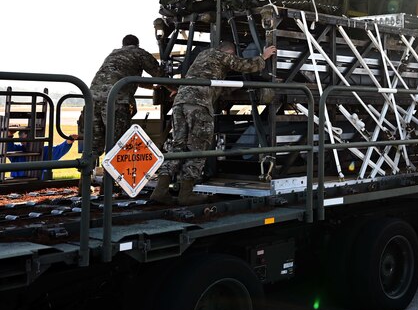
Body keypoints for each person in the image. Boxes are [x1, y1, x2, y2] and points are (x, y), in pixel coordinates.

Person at [151, 41, 277, 205]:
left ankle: (160, 191)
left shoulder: (202, 57)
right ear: (229, 52)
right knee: (197, 149)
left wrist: (230, 88)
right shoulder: (222, 55)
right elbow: (244, 65)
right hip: (199, 105)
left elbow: (213, 85)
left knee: (177, 147)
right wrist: (263, 57)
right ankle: (186, 194)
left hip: (180, 103)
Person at [85, 35, 163, 174]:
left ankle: (83, 184)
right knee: (118, 144)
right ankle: (109, 188)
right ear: (137, 44)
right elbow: (159, 74)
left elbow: (130, 79)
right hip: (116, 101)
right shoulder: (138, 53)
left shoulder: (114, 55)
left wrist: (153, 87)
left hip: (92, 100)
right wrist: (173, 88)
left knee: (94, 145)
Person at [5, 131, 80, 179]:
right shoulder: (17, 150)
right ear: (21, 141)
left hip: (38, 183)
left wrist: (68, 141)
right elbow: (7, 148)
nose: (28, 141)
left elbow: (58, 150)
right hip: (18, 183)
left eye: (29, 138)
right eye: (24, 139)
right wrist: (9, 135)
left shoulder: (43, 151)